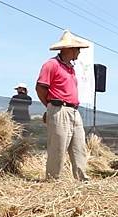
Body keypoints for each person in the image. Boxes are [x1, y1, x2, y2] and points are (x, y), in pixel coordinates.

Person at [36, 30, 89, 181]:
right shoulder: (51, 65)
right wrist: (50, 106)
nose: (79, 52)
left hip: (73, 110)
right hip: (59, 108)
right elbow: (40, 87)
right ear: (69, 49)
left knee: (79, 146)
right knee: (58, 147)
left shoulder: (70, 68)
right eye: (77, 49)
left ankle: (82, 179)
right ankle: (53, 180)